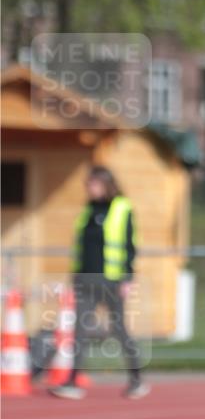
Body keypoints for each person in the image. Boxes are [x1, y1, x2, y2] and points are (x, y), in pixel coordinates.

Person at [49, 165, 150, 401]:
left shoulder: (122, 207)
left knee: (119, 329)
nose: (89, 188)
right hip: (85, 280)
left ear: (105, 184)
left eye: (92, 184)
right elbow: (82, 247)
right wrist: (74, 277)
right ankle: (72, 381)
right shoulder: (88, 209)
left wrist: (127, 278)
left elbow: (130, 245)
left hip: (111, 280)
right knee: (79, 330)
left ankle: (136, 379)